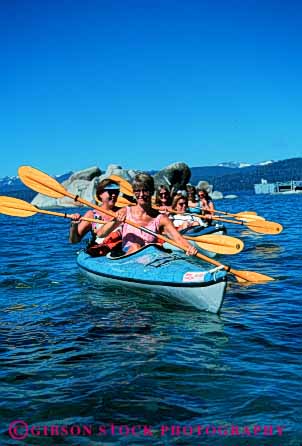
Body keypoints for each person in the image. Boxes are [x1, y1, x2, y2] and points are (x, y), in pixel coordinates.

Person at [100, 173, 198, 256]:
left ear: (151, 192)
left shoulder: (161, 219)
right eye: (138, 191)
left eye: (145, 190)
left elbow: (178, 238)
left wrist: (189, 248)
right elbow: (101, 234)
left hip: (151, 257)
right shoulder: (124, 212)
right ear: (134, 193)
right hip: (128, 257)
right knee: (135, 246)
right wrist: (115, 222)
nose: (141, 194)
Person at [69, 179, 120, 249]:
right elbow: (74, 241)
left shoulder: (123, 211)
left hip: (120, 248)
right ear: (100, 194)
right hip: (100, 251)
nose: (114, 195)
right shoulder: (91, 215)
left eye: (116, 192)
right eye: (110, 192)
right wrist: (74, 225)